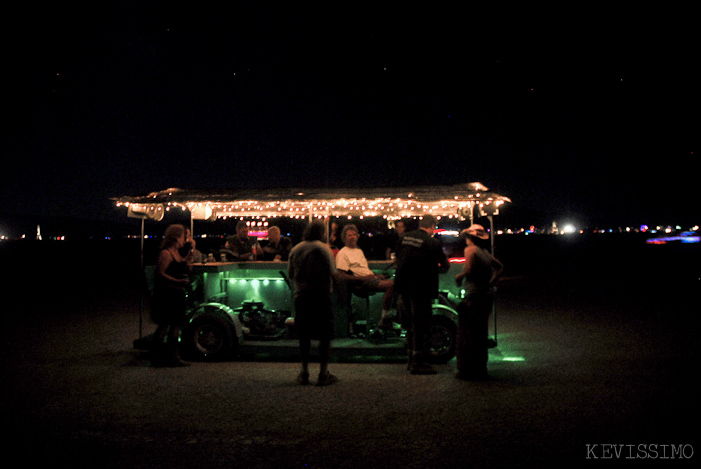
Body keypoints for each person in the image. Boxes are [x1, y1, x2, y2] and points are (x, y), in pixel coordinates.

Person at [394, 215, 449, 374]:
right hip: (421, 287)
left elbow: (398, 258)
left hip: (403, 285)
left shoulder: (404, 238)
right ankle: (417, 363)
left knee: (408, 324)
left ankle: (410, 358)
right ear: (432, 226)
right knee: (420, 324)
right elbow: (444, 265)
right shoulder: (432, 242)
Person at [288, 221, 338, 386]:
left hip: (302, 296)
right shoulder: (324, 249)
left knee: (304, 335)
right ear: (322, 233)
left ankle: (304, 372)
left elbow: (291, 274)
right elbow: (333, 273)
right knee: (325, 336)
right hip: (322, 296)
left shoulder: (296, 249)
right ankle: (323, 373)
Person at [454, 224, 503, 380]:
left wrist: (459, 277)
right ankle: (481, 369)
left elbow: (468, 270)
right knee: (481, 333)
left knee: (468, 333)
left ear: (470, 238)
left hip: (473, 296)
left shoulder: (470, 250)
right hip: (486, 296)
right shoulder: (485, 252)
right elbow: (500, 267)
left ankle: (467, 371)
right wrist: (491, 282)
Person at [335, 224, 395, 329]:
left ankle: (391, 316)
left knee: (399, 283)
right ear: (344, 238)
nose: (353, 237)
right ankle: (385, 317)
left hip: (370, 279)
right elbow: (341, 276)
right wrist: (364, 278)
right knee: (392, 284)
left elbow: (364, 269)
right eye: (349, 235)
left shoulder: (359, 251)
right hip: (360, 284)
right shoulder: (343, 253)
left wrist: (376, 275)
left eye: (354, 234)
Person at [150, 224, 192, 367]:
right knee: (164, 325)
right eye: (182, 237)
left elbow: (182, 265)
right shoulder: (166, 253)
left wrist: (189, 257)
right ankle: (156, 357)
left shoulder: (177, 253)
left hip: (177, 293)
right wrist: (178, 281)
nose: (184, 240)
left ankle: (173, 356)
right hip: (166, 294)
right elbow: (160, 274)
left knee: (176, 325)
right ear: (175, 237)